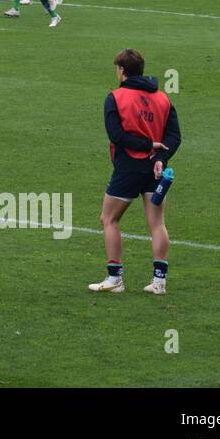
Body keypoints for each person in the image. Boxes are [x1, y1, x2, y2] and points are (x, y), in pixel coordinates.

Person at [89, 49, 181, 295]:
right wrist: (160, 156)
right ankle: (159, 282)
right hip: (156, 169)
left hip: (128, 167)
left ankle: (115, 278)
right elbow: (174, 136)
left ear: (122, 71)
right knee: (157, 223)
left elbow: (116, 136)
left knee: (109, 219)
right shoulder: (163, 98)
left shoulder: (116, 97)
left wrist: (145, 145)